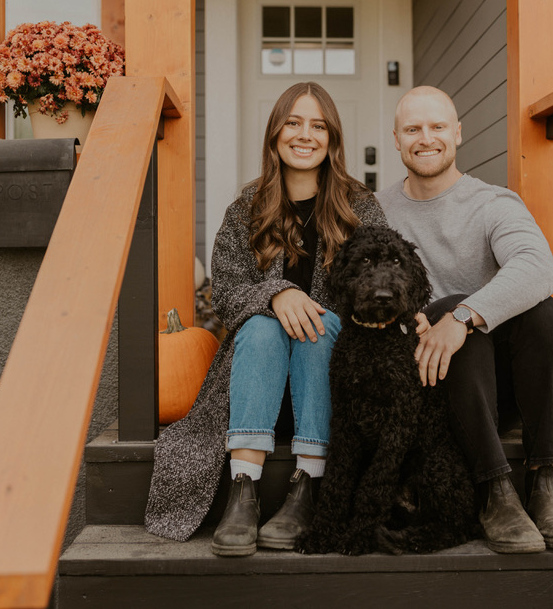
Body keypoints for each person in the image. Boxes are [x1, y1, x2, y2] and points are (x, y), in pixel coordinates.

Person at [144, 82, 385, 557]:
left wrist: (308, 307)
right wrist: (277, 294)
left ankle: (304, 488)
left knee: (315, 327)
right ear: (275, 133)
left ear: (332, 139)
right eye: (293, 122)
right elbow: (227, 295)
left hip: (326, 381)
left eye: (318, 126)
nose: (305, 134)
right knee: (258, 324)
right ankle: (243, 490)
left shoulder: (361, 209)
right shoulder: (245, 211)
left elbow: (374, 291)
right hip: (258, 387)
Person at [375, 85, 553, 554]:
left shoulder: (492, 203)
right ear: (396, 139)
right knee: (449, 310)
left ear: (458, 133)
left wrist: (464, 316)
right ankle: (496, 491)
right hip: (431, 386)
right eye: (413, 129)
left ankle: (544, 481)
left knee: (548, 317)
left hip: (498, 389)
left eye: (437, 127)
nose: (425, 138)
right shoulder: (376, 211)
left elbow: (538, 268)